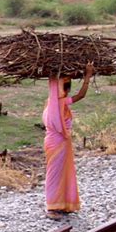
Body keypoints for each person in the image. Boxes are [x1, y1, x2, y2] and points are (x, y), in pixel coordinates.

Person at [42, 62, 95, 220]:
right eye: (65, 87)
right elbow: (81, 95)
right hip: (57, 143)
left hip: (58, 143)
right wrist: (87, 76)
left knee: (62, 173)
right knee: (55, 174)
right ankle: (52, 205)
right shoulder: (58, 103)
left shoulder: (52, 102)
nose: (66, 90)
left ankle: (63, 204)